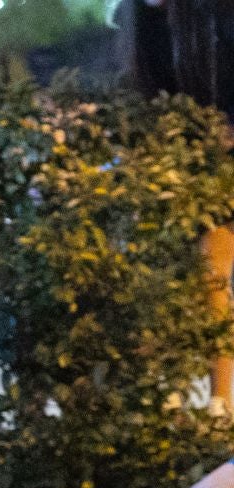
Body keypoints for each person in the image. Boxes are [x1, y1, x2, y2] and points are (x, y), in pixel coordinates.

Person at [125, 0, 234, 412]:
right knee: (162, 265)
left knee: (213, 266)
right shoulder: (143, 24)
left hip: (223, 150)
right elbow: (147, 98)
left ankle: (220, 402)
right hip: (179, 153)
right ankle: (170, 390)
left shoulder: (217, 14)